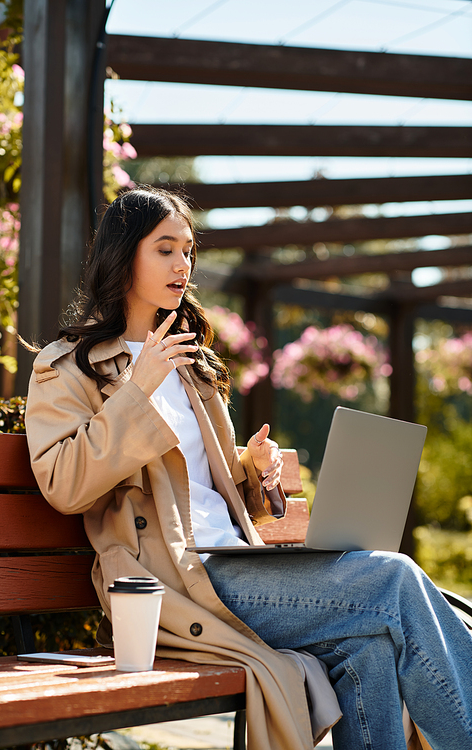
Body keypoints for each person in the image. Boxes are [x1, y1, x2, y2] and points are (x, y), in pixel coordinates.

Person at [25, 186, 472, 750]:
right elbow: (65, 485)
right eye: (165, 249)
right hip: (177, 583)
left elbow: (204, 491)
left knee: (371, 651)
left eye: (188, 250)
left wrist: (251, 472)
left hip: (238, 560)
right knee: (395, 579)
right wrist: (136, 392)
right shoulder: (67, 369)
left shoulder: (192, 366)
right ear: (124, 256)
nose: (182, 264)